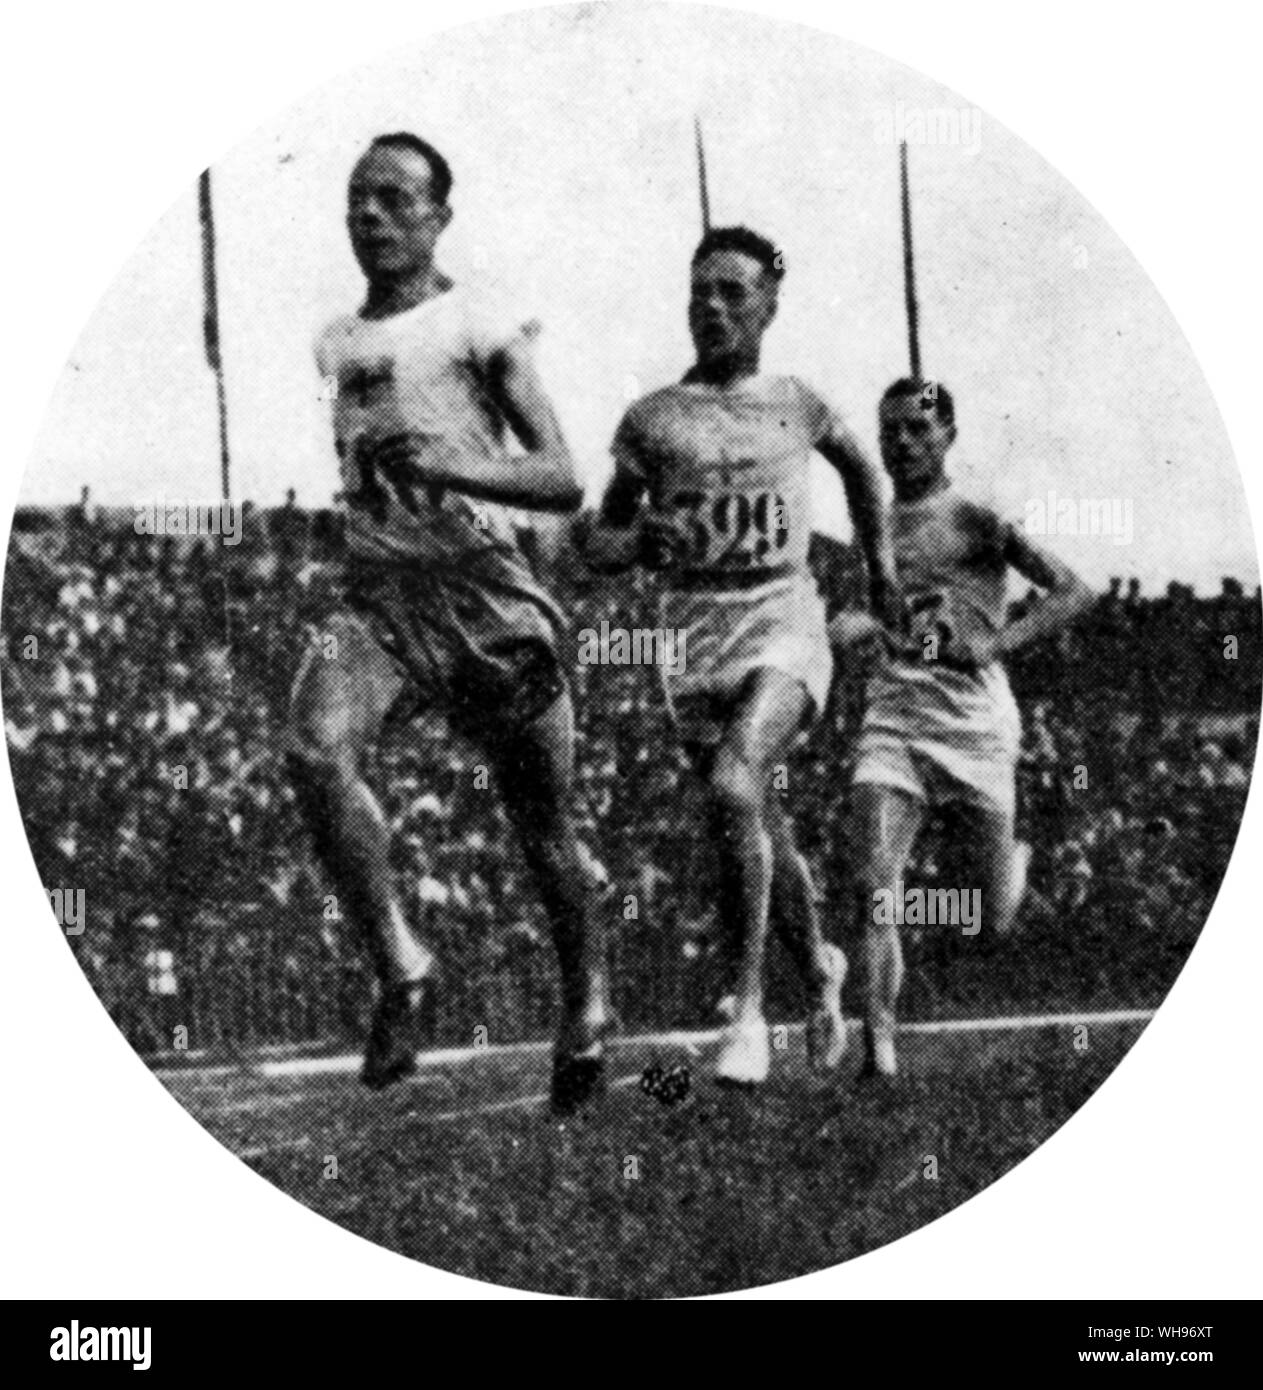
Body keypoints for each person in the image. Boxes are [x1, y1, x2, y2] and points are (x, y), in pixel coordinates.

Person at [287, 133, 610, 1112]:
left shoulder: (479, 321)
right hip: (383, 595)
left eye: (395, 198)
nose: (373, 216)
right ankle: (403, 965)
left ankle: (587, 1003)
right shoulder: (335, 339)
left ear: (439, 216)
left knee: (542, 828)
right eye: (358, 199)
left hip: (485, 594)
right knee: (311, 748)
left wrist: (453, 466)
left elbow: (561, 475)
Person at [583, 226, 898, 1086]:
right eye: (700, 293)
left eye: (732, 292)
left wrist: (880, 575)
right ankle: (823, 971)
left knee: (733, 782)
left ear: (769, 304)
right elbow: (601, 541)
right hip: (690, 636)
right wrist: (635, 535)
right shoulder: (652, 418)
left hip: (783, 617)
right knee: (756, 817)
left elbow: (864, 478)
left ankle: (747, 1009)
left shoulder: (796, 400)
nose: (713, 308)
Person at [836, 378, 1094, 1080]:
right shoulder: (873, 527)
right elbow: (878, 616)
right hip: (895, 716)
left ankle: (1014, 862)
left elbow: (1073, 590)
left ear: (949, 434)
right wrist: (849, 628)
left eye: (918, 429)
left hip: (974, 722)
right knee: (875, 884)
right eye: (889, 429)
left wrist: (997, 641)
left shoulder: (977, 518)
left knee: (984, 921)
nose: (902, 442)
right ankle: (878, 1046)